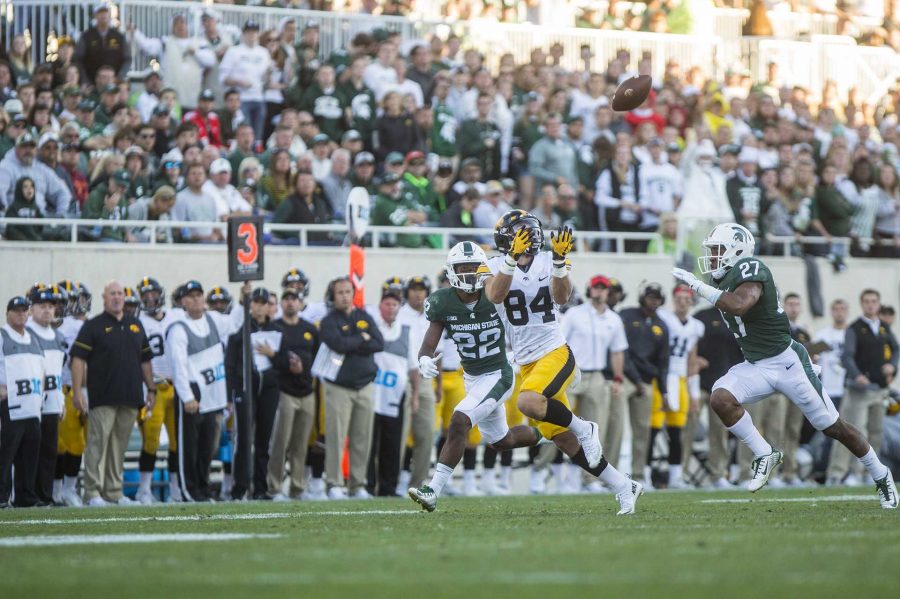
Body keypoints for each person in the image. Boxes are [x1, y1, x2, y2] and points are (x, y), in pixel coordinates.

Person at [672, 223, 898, 508]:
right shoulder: (725, 279)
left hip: (787, 363)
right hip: (756, 365)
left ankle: (881, 474)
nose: (713, 257)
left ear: (736, 251)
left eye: (717, 250)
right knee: (721, 398)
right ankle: (764, 453)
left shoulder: (751, 268)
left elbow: (740, 304)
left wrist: (697, 286)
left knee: (832, 426)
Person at [412, 242, 641, 514]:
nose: (469, 274)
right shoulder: (441, 301)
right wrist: (424, 359)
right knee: (503, 441)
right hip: (472, 378)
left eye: (474, 268)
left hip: (499, 374)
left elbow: (534, 296)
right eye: (462, 268)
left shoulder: (496, 293)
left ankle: (433, 490)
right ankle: (619, 483)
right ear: (450, 271)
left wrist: (553, 264)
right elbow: (430, 342)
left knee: (460, 420)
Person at [482, 211, 642, 500]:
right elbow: (495, 295)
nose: (519, 237)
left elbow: (561, 297)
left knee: (528, 402)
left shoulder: (548, 260)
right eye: (514, 233)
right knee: (565, 441)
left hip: (555, 351)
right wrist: (510, 261)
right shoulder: (494, 264)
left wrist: (558, 263)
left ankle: (585, 427)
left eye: (522, 231)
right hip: (527, 361)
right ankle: (623, 485)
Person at [70, 281, 156, 506]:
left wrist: (152, 389)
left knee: (119, 446)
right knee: (98, 444)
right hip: (103, 397)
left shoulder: (135, 324)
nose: (117, 297)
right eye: (112, 294)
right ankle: (92, 493)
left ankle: (114, 492)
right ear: (104, 298)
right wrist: (77, 391)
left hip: (131, 397)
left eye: (120, 293)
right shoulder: (93, 325)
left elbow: (146, 360)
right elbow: (78, 358)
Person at [168, 280, 244, 502]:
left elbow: (234, 323)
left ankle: (202, 486)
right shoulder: (178, 330)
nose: (196, 300)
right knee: (189, 447)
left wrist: (241, 300)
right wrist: (187, 397)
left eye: (199, 295)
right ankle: (189, 490)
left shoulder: (213, 319)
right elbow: (179, 367)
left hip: (214, 395)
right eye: (190, 296)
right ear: (183, 302)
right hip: (194, 393)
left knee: (207, 448)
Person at [559, 274, 628, 491]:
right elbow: (560, 343)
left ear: (608, 292)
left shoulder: (614, 319)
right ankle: (547, 472)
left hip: (597, 375)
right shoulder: (574, 313)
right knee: (559, 422)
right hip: (571, 373)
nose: (599, 292)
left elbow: (617, 352)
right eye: (596, 288)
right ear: (590, 290)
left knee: (596, 429)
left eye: (603, 288)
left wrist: (617, 378)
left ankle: (590, 479)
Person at [317, 277, 384, 499]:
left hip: (365, 385)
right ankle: (334, 483)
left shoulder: (364, 316)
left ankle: (357, 484)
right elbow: (338, 344)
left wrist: (355, 341)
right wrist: (361, 339)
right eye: (340, 292)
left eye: (348, 291)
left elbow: (378, 343)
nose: (345, 296)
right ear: (332, 296)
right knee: (336, 437)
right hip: (339, 387)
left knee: (362, 438)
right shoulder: (329, 321)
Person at [827, 289, 899, 485]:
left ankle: (869, 472)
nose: (870, 305)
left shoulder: (883, 327)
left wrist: (892, 365)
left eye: (874, 301)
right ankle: (839, 473)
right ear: (861, 304)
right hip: (859, 391)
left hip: (880, 389)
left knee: (876, 432)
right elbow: (847, 356)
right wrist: (857, 375)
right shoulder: (855, 328)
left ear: (878, 304)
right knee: (853, 431)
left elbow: (896, 349)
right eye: (867, 301)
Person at [609, 283, 670, 488]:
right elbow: (621, 350)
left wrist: (664, 391)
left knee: (643, 430)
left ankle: (639, 473)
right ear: (642, 297)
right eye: (651, 297)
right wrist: (634, 378)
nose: (654, 301)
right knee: (615, 427)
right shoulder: (626, 315)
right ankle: (608, 474)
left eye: (657, 298)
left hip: (646, 382)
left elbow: (663, 363)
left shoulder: (662, 326)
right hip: (624, 378)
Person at [224, 288, 281, 500]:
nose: (258, 307)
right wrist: (229, 396)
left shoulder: (276, 329)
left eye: (263, 302)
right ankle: (239, 488)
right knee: (244, 439)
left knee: (264, 440)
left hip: (269, 388)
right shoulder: (241, 327)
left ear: (269, 306)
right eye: (255, 302)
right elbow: (230, 363)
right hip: (245, 388)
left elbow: (282, 362)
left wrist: (273, 355)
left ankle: (260, 488)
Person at [265, 287, 319, 501]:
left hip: (307, 391)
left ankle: (297, 487)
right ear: (280, 303)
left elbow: (318, 358)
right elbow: (268, 358)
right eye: (286, 299)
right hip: (284, 391)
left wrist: (303, 369)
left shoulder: (310, 329)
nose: (290, 303)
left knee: (300, 443)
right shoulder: (274, 328)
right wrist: (289, 366)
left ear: (300, 303)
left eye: (293, 299)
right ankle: (275, 487)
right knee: (280, 442)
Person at [134, 277, 182, 504]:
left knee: (176, 442)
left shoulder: (176, 316)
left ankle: (175, 489)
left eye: (153, 294)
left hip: (176, 386)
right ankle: (144, 489)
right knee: (150, 440)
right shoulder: (138, 321)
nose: (150, 299)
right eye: (145, 296)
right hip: (151, 388)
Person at [368, 285, 417, 497]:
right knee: (369, 442)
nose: (390, 307)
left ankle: (388, 486)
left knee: (393, 443)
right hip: (372, 393)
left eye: (394, 304)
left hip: (395, 395)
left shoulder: (406, 332)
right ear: (380, 306)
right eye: (387, 303)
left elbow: (412, 366)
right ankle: (368, 485)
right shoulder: (371, 328)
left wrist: (415, 395)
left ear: (399, 307)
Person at [654, 284, 705, 489]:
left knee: (678, 430)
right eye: (679, 299)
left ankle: (676, 476)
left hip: (681, 376)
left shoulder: (696, 326)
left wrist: (694, 393)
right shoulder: (664, 318)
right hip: (662, 375)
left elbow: (692, 358)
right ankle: (645, 474)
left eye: (687, 299)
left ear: (692, 302)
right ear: (673, 300)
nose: (683, 303)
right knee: (654, 426)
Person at [0, 296, 46, 508]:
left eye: (24, 310)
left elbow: (41, 370)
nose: (21, 314)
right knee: (6, 454)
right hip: (10, 406)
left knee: (30, 455)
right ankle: (2, 497)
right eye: (16, 310)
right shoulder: (2, 336)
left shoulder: (33, 338)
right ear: (7, 313)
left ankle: (26, 497)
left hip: (32, 405)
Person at [25, 285, 68, 505]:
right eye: (42, 306)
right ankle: (26, 494)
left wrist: (60, 401)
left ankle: (45, 494)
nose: (47, 311)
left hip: (52, 401)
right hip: (31, 401)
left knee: (50, 450)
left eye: (51, 306)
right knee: (30, 450)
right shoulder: (26, 332)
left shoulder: (58, 336)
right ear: (31, 308)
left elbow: (58, 371)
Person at [219, 20, 272, 141]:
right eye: (249, 32)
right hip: (241, 100)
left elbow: (266, 78)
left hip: (259, 98)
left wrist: (269, 77)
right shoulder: (234, 51)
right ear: (243, 34)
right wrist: (239, 82)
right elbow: (223, 78)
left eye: (254, 32)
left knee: (257, 136)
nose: (252, 35)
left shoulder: (263, 52)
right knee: (243, 134)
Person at [815, 299, 849, 482]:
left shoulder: (852, 334)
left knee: (852, 432)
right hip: (828, 389)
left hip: (848, 390)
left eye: (842, 308)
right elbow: (812, 360)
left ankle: (846, 472)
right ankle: (825, 471)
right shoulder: (823, 335)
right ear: (831, 311)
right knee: (830, 434)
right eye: (836, 309)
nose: (839, 312)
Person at [74, 4, 130, 84]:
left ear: (110, 15)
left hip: (114, 84)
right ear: (95, 15)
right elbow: (78, 59)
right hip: (92, 84)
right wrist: (85, 81)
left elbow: (127, 59)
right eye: (100, 13)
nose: (103, 15)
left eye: (105, 12)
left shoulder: (119, 37)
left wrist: (119, 77)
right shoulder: (86, 37)